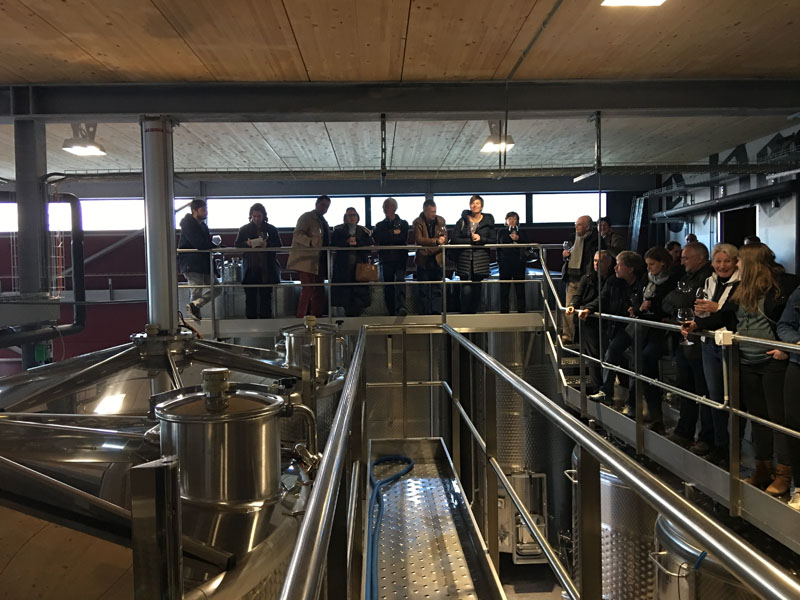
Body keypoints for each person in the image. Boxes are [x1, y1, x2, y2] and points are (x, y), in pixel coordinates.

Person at [685, 243, 797, 494]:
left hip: (772, 362)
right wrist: (697, 324)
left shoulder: (783, 286)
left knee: (778, 420)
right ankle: (763, 468)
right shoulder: (742, 288)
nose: (736, 265)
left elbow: (788, 322)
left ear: (753, 263)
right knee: (756, 418)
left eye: (740, 261)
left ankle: (784, 473)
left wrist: (786, 348)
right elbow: (726, 316)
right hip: (746, 359)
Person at [689, 243, 740, 466]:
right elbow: (702, 312)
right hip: (709, 343)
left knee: (733, 400)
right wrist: (698, 319)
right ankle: (719, 445)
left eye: (727, 261)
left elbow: (731, 316)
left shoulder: (741, 284)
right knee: (715, 398)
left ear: (736, 262)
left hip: (730, 346)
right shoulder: (709, 281)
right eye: (718, 261)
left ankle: (733, 450)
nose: (722, 265)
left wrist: (714, 310)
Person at [662, 242, 714, 451]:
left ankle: (706, 438)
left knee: (703, 391)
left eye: (686, 258)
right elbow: (667, 301)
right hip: (686, 341)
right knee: (685, 388)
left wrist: (681, 302)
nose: (681, 261)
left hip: (701, 344)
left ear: (700, 258)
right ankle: (684, 431)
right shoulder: (686, 277)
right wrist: (681, 303)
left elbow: (686, 300)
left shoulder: (708, 278)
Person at [625, 246, 678, 431]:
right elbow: (636, 298)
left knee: (647, 362)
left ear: (663, 263)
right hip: (644, 328)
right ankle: (648, 409)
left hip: (660, 332)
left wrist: (651, 307)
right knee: (639, 364)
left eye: (652, 264)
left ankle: (654, 413)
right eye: (647, 264)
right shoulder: (645, 279)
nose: (648, 268)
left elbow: (668, 306)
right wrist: (639, 307)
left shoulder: (672, 281)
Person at [583, 250, 646, 405]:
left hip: (640, 328)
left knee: (631, 361)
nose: (615, 268)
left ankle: (631, 401)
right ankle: (608, 392)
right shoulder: (613, 281)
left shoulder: (643, 283)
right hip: (618, 327)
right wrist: (589, 309)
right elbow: (602, 299)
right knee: (611, 354)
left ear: (630, 269)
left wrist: (637, 310)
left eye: (619, 265)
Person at [565, 250, 614, 391]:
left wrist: (587, 309)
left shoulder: (612, 280)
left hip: (605, 321)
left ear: (609, 263)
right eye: (595, 261)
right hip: (589, 321)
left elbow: (603, 298)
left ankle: (606, 388)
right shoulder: (587, 278)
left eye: (600, 261)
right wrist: (572, 306)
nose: (596, 264)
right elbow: (577, 295)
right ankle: (598, 388)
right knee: (593, 355)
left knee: (606, 355)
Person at [234, 203, 282, 319]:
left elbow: (279, 245)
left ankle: (266, 320)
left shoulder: (271, 229)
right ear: (251, 216)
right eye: (254, 216)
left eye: (259, 216)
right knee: (250, 297)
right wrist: (247, 244)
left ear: (263, 216)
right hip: (251, 267)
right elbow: (237, 245)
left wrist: (268, 245)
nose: (256, 218)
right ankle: (251, 321)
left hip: (266, 267)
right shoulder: (244, 229)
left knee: (266, 297)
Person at [288, 195, 331, 318]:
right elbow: (297, 235)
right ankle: (301, 317)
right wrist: (310, 241)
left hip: (320, 260)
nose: (325, 208)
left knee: (319, 289)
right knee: (308, 289)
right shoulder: (307, 217)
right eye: (323, 205)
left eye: (327, 206)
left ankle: (316, 316)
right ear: (316, 204)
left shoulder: (323, 221)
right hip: (307, 261)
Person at [777, 283, 800, 509]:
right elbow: (784, 325)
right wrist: (795, 342)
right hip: (798, 363)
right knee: (794, 424)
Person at [450, 195, 495, 314]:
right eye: (472, 203)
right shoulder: (462, 221)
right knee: (465, 290)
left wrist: (481, 239)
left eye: (477, 203)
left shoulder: (488, 222)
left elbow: (493, 240)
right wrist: (471, 241)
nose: (475, 205)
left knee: (477, 289)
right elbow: (454, 239)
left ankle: (475, 315)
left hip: (481, 261)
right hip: (464, 260)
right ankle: (465, 315)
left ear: (482, 206)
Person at [178, 198, 220, 321]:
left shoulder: (203, 226)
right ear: (194, 211)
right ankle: (194, 318)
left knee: (217, 288)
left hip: (203, 264)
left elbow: (205, 243)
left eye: (206, 209)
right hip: (192, 263)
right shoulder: (188, 225)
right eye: (203, 210)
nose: (205, 212)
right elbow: (199, 243)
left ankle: (195, 306)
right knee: (196, 292)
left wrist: (215, 246)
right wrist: (213, 245)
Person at [330, 208, 374, 317]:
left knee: (359, 293)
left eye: (354, 215)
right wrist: (347, 242)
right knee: (345, 293)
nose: (352, 217)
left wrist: (357, 242)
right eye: (349, 215)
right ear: (345, 217)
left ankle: (358, 313)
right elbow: (334, 242)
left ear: (357, 217)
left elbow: (370, 243)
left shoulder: (364, 230)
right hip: (343, 266)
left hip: (360, 265)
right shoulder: (339, 230)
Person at [562, 215, 598, 344]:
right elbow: (568, 254)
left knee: (585, 308)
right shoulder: (572, 237)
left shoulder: (595, 240)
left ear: (588, 227)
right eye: (575, 224)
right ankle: (568, 336)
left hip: (587, 278)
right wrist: (565, 255)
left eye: (579, 225)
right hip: (572, 277)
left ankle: (582, 339)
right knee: (569, 307)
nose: (576, 227)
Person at [372, 197, 410, 316]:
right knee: (388, 286)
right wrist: (392, 233)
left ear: (394, 207)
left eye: (387, 206)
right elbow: (378, 238)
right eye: (384, 206)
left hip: (400, 259)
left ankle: (401, 307)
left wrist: (387, 236)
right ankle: (391, 311)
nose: (384, 209)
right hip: (386, 259)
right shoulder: (379, 225)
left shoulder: (404, 224)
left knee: (400, 282)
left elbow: (402, 238)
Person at [413, 199, 448, 315]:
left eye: (435, 211)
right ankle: (424, 314)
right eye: (431, 212)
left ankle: (436, 313)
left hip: (436, 260)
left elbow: (445, 239)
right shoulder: (417, 222)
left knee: (437, 289)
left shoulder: (441, 220)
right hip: (423, 260)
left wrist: (430, 247)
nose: (434, 214)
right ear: (424, 211)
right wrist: (436, 242)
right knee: (423, 289)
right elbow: (419, 240)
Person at [496, 211, 527, 313]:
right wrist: (499, 260)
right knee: (504, 288)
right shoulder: (501, 232)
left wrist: (518, 238)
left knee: (520, 287)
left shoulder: (522, 232)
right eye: (510, 219)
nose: (512, 221)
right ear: (506, 221)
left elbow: (528, 243)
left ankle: (521, 310)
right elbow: (498, 247)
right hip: (505, 263)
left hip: (519, 262)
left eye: (514, 219)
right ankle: (504, 310)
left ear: (517, 221)